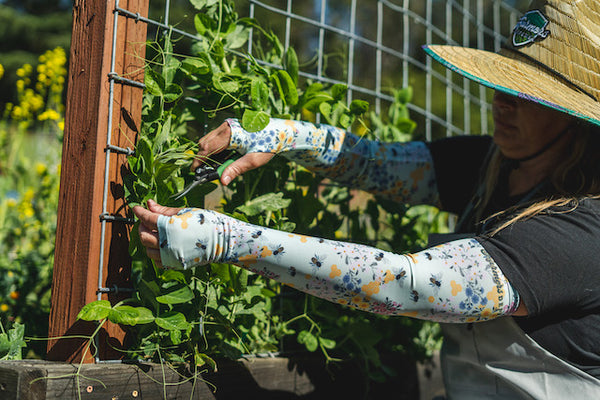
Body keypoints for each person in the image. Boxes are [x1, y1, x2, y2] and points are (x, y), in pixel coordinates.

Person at [133, 1, 600, 398]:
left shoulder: (583, 227)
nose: (503, 101)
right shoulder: (494, 163)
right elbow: (373, 163)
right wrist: (280, 134)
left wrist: (230, 241)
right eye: (504, 82)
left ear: (576, 120)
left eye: (531, 94)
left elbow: (409, 285)